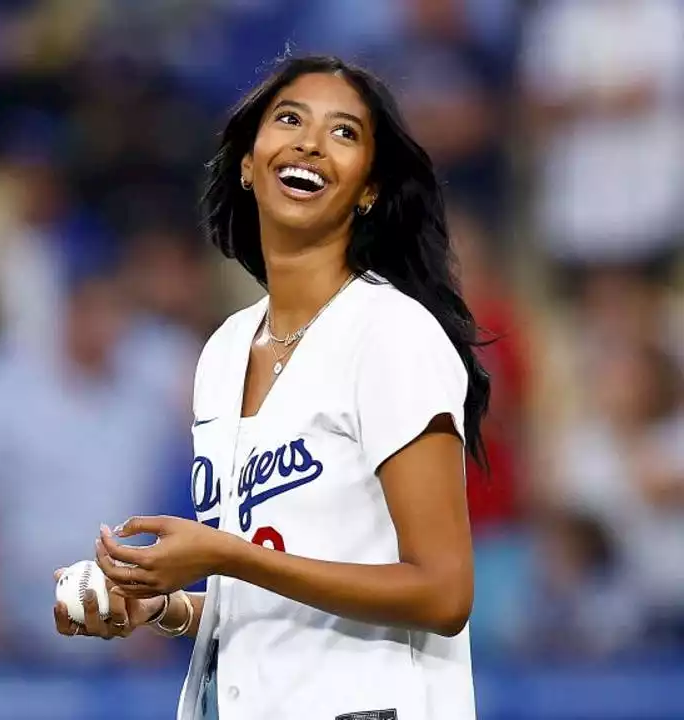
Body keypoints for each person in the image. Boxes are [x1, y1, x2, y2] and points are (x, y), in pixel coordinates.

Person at [51, 55, 490, 720]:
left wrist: (230, 557)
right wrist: (162, 607)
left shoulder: (392, 332)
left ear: (369, 189)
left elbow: (444, 592)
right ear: (248, 165)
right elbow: (277, 602)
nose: (311, 141)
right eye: (289, 119)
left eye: (344, 132)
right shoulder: (224, 351)